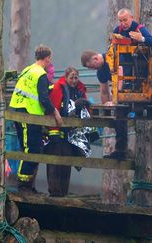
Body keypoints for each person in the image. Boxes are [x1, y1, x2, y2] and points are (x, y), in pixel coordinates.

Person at [80, 8, 152, 159]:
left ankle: (122, 151)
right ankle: (121, 151)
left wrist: (141, 38)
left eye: (125, 20)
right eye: (120, 20)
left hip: (139, 73)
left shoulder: (139, 28)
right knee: (119, 116)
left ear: (130, 18)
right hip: (123, 80)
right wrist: (107, 105)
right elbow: (104, 90)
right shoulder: (117, 32)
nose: (123, 23)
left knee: (122, 112)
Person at [9, 44, 63, 192]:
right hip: (29, 115)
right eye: (50, 60)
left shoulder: (27, 70)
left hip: (18, 111)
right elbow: (43, 99)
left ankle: (26, 184)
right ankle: (23, 185)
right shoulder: (41, 74)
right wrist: (56, 113)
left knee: (28, 149)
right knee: (32, 150)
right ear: (47, 58)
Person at [44, 67, 90, 197]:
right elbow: (53, 109)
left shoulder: (80, 90)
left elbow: (87, 111)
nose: (74, 81)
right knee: (55, 161)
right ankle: (54, 192)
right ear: (66, 77)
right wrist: (53, 132)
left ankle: (63, 192)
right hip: (57, 131)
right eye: (71, 78)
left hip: (72, 134)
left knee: (67, 163)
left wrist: (84, 104)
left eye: (76, 78)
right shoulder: (59, 87)